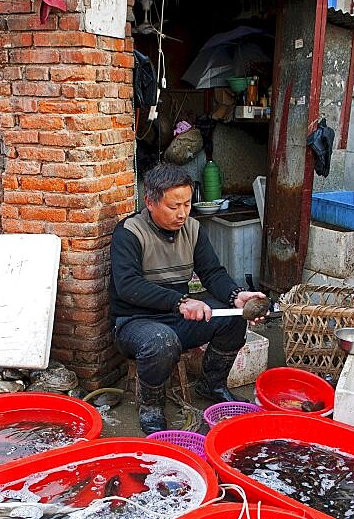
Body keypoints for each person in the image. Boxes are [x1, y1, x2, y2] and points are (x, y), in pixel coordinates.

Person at [110, 163, 267, 434]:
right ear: (150, 202)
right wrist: (181, 302)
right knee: (161, 341)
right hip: (134, 322)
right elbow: (128, 286)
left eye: (186, 204)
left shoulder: (193, 230)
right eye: (173, 207)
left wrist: (236, 295)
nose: (182, 213)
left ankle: (212, 383)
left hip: (177, 318)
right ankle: (151, 405)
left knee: (234, 317)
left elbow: (212, 273)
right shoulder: (129, 233)